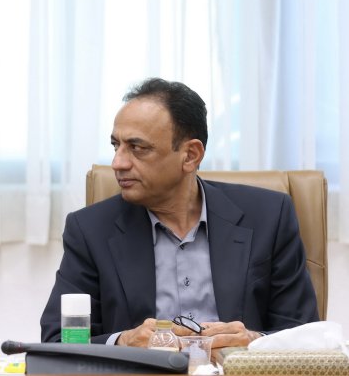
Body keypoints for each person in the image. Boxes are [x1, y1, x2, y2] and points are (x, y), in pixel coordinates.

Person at [40, 78, 318, 348]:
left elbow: (305, 336)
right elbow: (58, 343)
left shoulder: (269, 217)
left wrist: (253, 341)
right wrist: (123, 341)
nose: (118, 162)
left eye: (137, 148)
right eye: (116, 145)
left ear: (190, 155)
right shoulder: (90, 230)